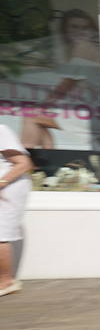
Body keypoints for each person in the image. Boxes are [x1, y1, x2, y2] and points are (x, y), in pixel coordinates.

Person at [0, 124, 34, 297]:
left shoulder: (1, 130)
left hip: (9, 188)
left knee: (1, 233)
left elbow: (23, 164)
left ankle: (6, 281)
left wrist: (1, 183)